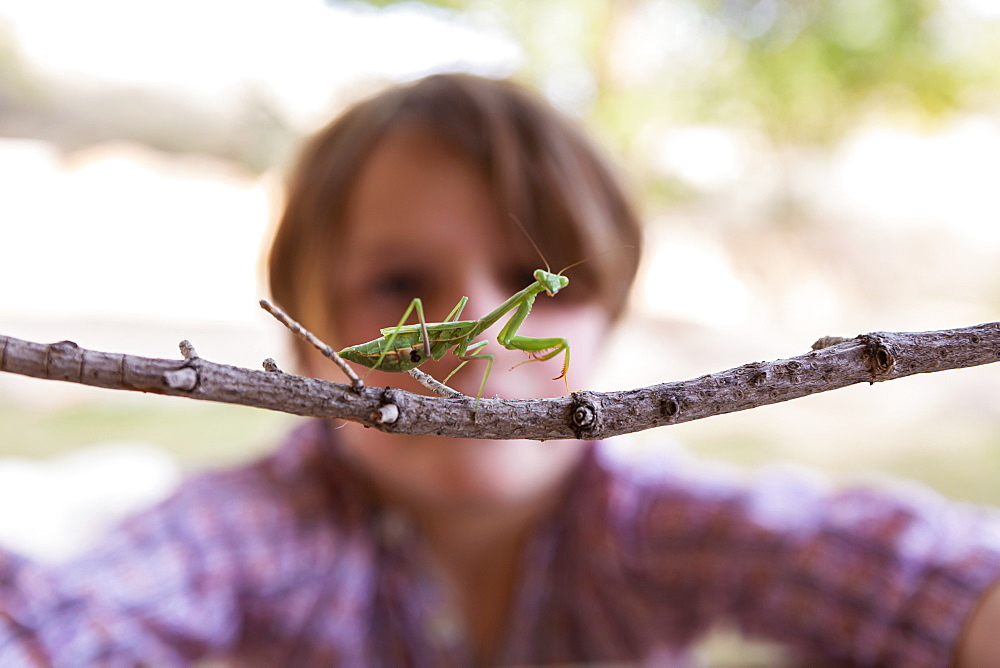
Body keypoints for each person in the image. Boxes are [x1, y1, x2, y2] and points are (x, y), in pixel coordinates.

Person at [2, 73, 1000, 667]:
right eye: (398, 279)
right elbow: (72, 609)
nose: (471, 324)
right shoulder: (260, 526)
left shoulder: (650, 526)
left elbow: (886, 563)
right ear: (308, 341)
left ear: (609, 318)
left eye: (534, 277)